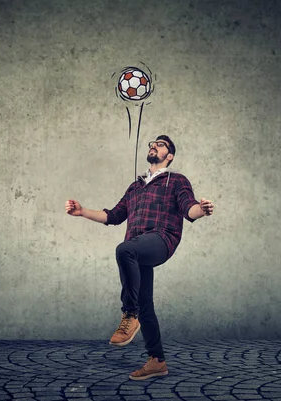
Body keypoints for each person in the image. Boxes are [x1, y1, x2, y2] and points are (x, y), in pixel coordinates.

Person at [65, 135, 214, 380]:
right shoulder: (135, 187)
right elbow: (113, 216)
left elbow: (189, 208)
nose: (154, 146)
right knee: (146, 301)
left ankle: (129, 314)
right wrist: (82, 212)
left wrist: (202, 210)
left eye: (161, 144)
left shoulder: (175, 180)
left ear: (170, 155)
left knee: (124, 250)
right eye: (152, 144)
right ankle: (157, 360)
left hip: (162, 239)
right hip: (138, 246)